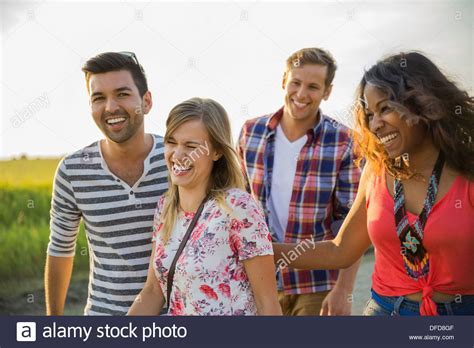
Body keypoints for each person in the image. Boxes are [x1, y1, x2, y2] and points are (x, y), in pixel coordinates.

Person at [273, 52, 474, 316]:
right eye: (368, 114)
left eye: (385, 109)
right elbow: (340, 250)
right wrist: (258, 249)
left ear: (422, 104)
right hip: (383, 310)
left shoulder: (466, 173)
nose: (375, 124)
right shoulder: (376, 171)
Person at [128, 97, 282, 316]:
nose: (178, 155)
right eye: (171, 142)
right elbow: (153, 291)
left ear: (217, 151)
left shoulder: (238, 207)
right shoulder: (165, 208)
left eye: (191, 146)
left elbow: (268, 304)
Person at [238, 47, 362, 316]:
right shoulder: (251, 133)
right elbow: (239, 206)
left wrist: (343, 289)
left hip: (317, 285)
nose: (302, 94)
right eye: (295, 82)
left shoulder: (345, 142)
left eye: (313, 86)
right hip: (260, 281)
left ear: (327, 91)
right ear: (284, 81)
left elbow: (353, 221)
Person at [45, 52, 168, 315]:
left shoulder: (177, 160)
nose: (110, 107)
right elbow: (60, 249)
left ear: (146, 102)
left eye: (122, 94)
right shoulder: (72, 171)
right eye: (98, 98)